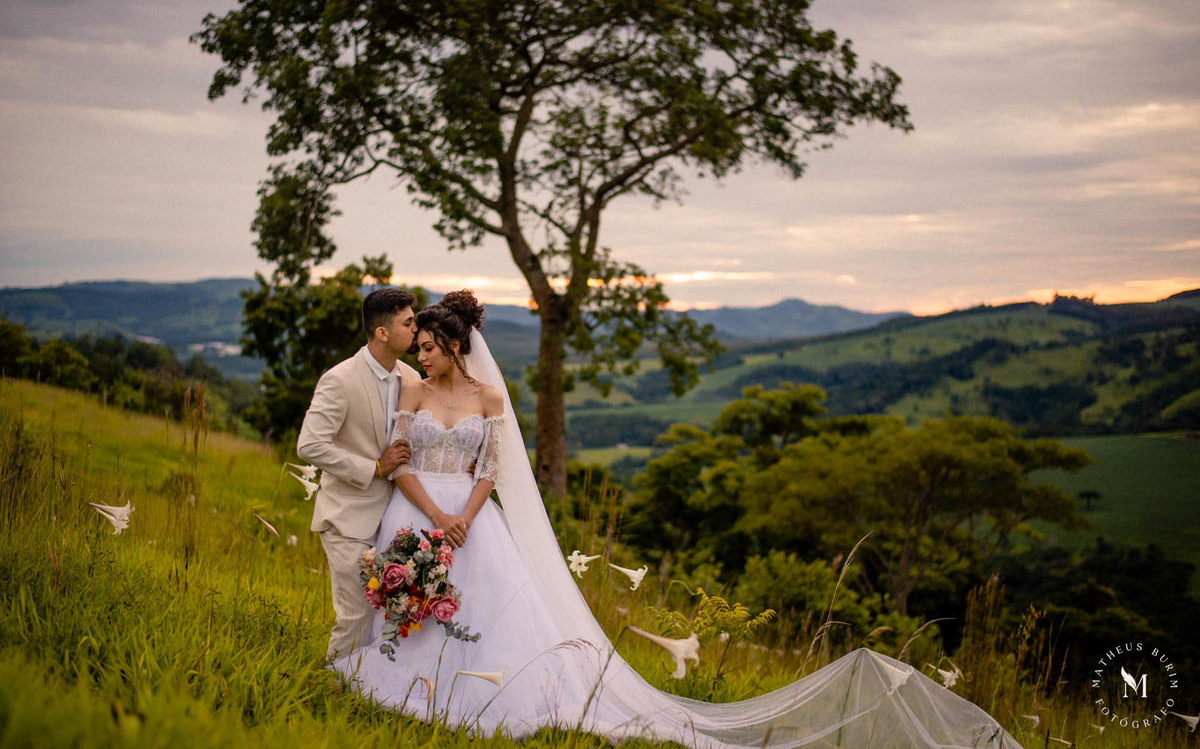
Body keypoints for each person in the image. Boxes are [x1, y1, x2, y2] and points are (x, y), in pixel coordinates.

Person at [333, 291, 1024, 749]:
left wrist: (465, 518)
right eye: (416, 343)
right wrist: (433, 514)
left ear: (456, 345)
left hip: (472, 523)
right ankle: (399, 676)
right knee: (408, 600)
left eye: (428, 344)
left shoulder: (488, 398)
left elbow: (492, 470)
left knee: (482, 613)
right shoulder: (410, 391)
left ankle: (479, 691)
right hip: (417, 511)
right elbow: (398, 458)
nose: (419, 352)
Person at [298, 287, 422, 660]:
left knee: (389, 615)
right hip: (348, 516)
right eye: (408, 322)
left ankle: (369, 690)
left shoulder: (412, 377)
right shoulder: (340, 379)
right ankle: (332, 689)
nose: (416, 329)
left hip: (398, 517)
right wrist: (374, 467)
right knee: (355, 616)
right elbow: (310, 445)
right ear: (382, 332)